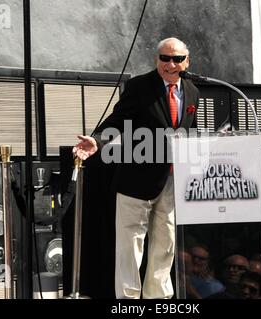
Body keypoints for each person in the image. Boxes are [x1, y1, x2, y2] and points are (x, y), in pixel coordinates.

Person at [73, 37, 200, 299]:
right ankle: (128, 300)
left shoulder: (192, 91)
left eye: (177, 59)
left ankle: (159, 298)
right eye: (165, 58)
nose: (170, 64)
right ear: (157, 60)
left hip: (171, 178)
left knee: (166, 242)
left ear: (187, 62)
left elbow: (189, 131)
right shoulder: (140, 86)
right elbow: (118, 119)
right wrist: (96, 140)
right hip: (136, 178)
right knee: (131, 245)